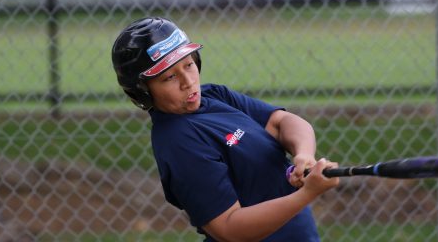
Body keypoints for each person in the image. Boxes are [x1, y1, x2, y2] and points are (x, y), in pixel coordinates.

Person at [112, 17, 339, 241]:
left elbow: (281, 122)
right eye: (169, 76)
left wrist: (304, 154)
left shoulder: (214, 96)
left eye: (189, 65)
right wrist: (307, 193)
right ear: (142, 91)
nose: (188, 81)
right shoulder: (179, 143)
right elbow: (229, 228)